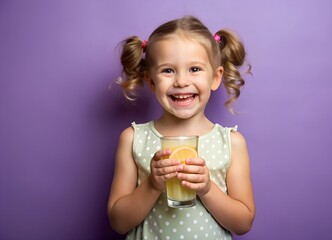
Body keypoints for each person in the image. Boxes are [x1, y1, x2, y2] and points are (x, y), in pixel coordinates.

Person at [107, 16, 255, 239]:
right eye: (168, 70)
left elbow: (243, 223)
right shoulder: (133, 139)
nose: (181, 81)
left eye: (194, 69)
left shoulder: (232, 143)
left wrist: (207, 188)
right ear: (151, 81)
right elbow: (118, 222)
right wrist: (152, 184)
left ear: (216, 78)